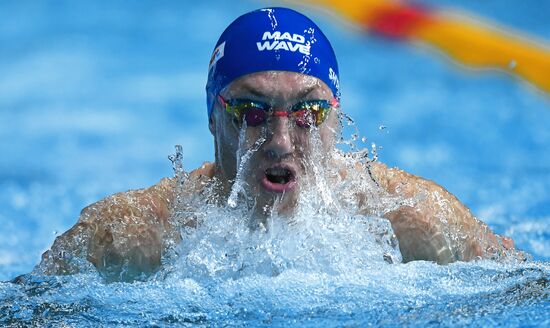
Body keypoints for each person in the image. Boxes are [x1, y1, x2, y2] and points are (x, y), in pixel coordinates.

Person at [34, 7, 520, 282]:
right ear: (212, 118)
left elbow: (523, 285)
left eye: (308, 113)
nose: (280, 141)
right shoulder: (136, 235)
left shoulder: (412, 219)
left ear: (336, 116)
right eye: (251, 113)